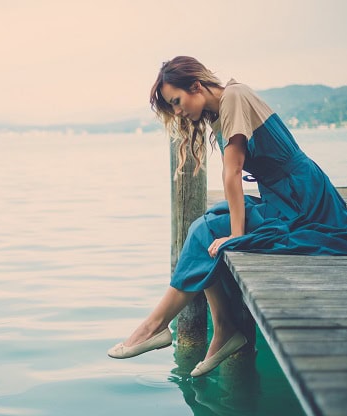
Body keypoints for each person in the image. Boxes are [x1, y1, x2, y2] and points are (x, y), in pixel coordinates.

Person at [107, 56, 347, 377]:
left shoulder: (233, 97)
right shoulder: (225, 108)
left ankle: (159, 325)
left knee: (210, 230)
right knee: (209, 221)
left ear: (195, 85)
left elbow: (231, 173)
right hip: (287, 198)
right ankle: (219, 327)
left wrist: (236, 236)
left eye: (177, 101)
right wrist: (233, 230)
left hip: (303, 204)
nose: (177, 111)